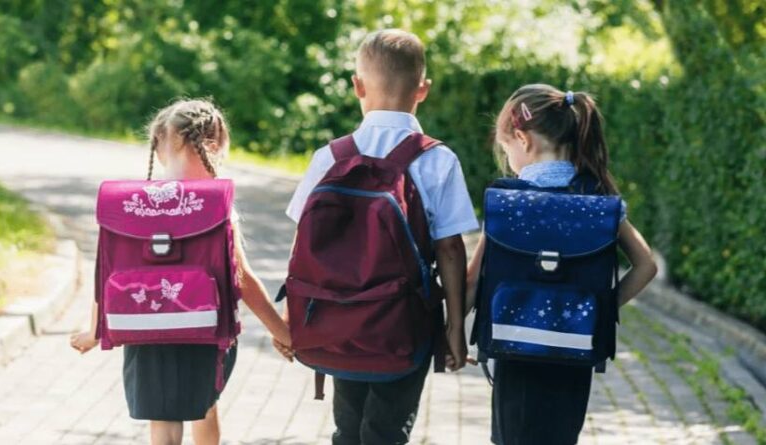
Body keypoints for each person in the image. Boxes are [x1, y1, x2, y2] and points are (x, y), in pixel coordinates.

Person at [281, 29, 480, 445]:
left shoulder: (330, 156)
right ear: (423, 89)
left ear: (357, 85)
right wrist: (454, 327)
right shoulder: (437, 159)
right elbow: (450, 249)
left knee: (347, 429)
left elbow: (304, 241)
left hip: (336, 320)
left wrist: (292, 316)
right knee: (386, 432)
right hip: (403, 325)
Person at [70, 99, 292, 445]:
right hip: (207, 328)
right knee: (206, 406)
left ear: (158, 145)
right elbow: (243, 278)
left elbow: (107, 268)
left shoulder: (131, 206)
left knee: (163, 421)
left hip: (145, 326)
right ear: (216, 145)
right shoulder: (215, 203)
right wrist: (283, 333)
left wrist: (95, 331)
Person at [466, 84, 658, 445]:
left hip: (516, 349)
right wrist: (601, 310)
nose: (507, 158)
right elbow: (646, 265)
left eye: (505, 148)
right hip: (575, 348)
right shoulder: (599, 200)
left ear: (522, 139)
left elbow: (473, 280)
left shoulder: (509, 202)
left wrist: (449, 335)